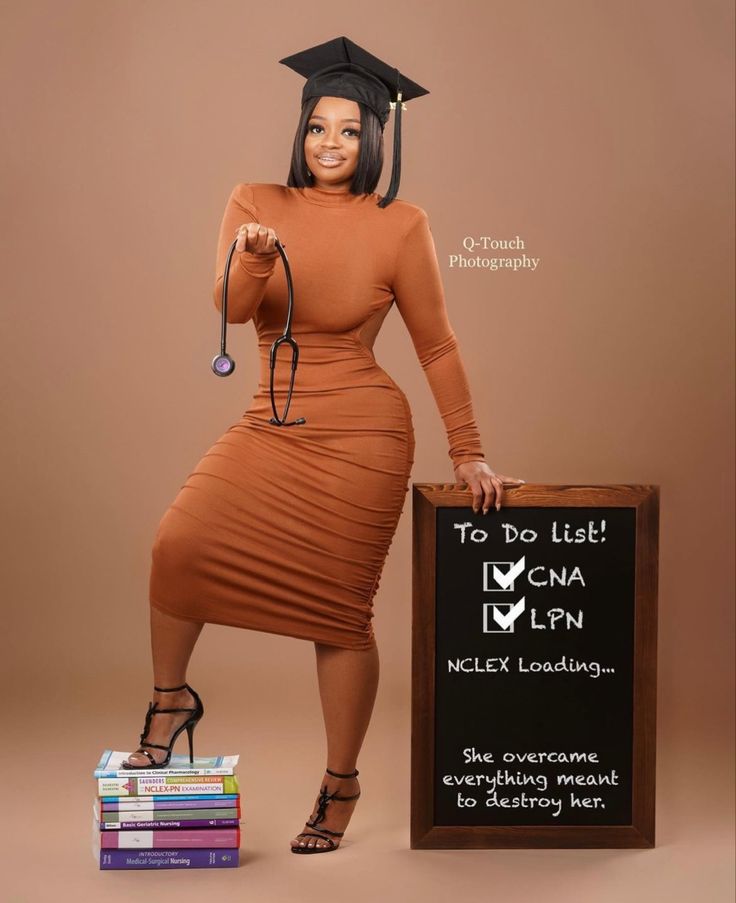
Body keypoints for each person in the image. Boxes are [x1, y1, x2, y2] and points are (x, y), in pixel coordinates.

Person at [121, 37, 525, 854]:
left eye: (348, 130)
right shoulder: (254, 201)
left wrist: (469, 452)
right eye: (317, 127)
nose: (330, 144)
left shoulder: (401, 224)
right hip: (273, 419)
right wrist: (254, 256)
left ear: (376, 137)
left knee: (340, 613)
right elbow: (233, 311)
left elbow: (437, 347)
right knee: (178, 544)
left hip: (365, 436)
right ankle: (170, 700)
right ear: (300, 131)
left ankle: (341, 781)